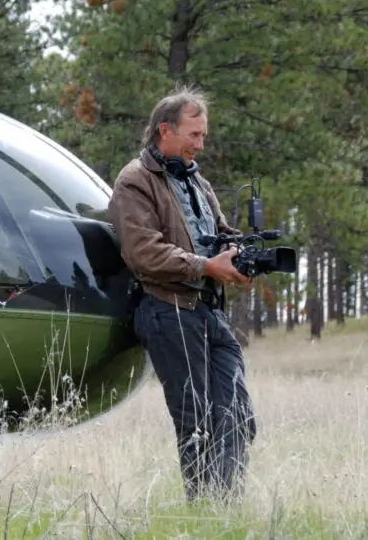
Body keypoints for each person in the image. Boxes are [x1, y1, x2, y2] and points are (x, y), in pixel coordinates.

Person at [107, 85, 257, 502]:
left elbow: (220, 234)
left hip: (210, 312)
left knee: (238, 415)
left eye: (203, 135)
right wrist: (206, 266)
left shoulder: (198, 182)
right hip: (168, 309)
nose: (201, 144)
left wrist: (240, 255)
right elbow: (143, 252)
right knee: (198, 422)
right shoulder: (134, 181)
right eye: (194, 134)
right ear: (164, 131)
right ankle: (205, 509)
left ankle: (226, 506)